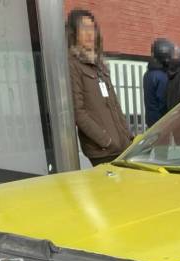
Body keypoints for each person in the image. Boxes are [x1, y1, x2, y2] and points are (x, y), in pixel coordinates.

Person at [67, 8, 132, 166]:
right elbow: (78, 112)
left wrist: (128, 136)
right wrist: (107, 141)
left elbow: (114, 105)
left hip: (121, 146)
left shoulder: (99, 65)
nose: (89, 34)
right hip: (102, 150)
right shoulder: (73, 65)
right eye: (83, 29)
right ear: (74, 33)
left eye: (92, 28)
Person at [144, 38, 175, 128]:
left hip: (151, 121)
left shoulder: (148, 73)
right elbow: (163, 103)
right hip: (161, 123)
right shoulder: (161, 77)